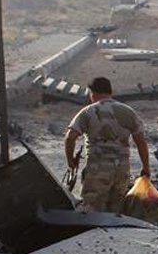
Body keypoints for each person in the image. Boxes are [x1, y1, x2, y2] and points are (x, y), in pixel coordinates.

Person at [64, 77, 151, 213]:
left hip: (97, 169)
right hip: (122, 169)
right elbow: (141, 142)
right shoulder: (128, 112)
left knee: (91, 209)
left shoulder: (88, 112)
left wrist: (71, 161)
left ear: (92, 93)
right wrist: (146, 168)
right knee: (116, 209)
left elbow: (70, 137)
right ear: (110, 91)